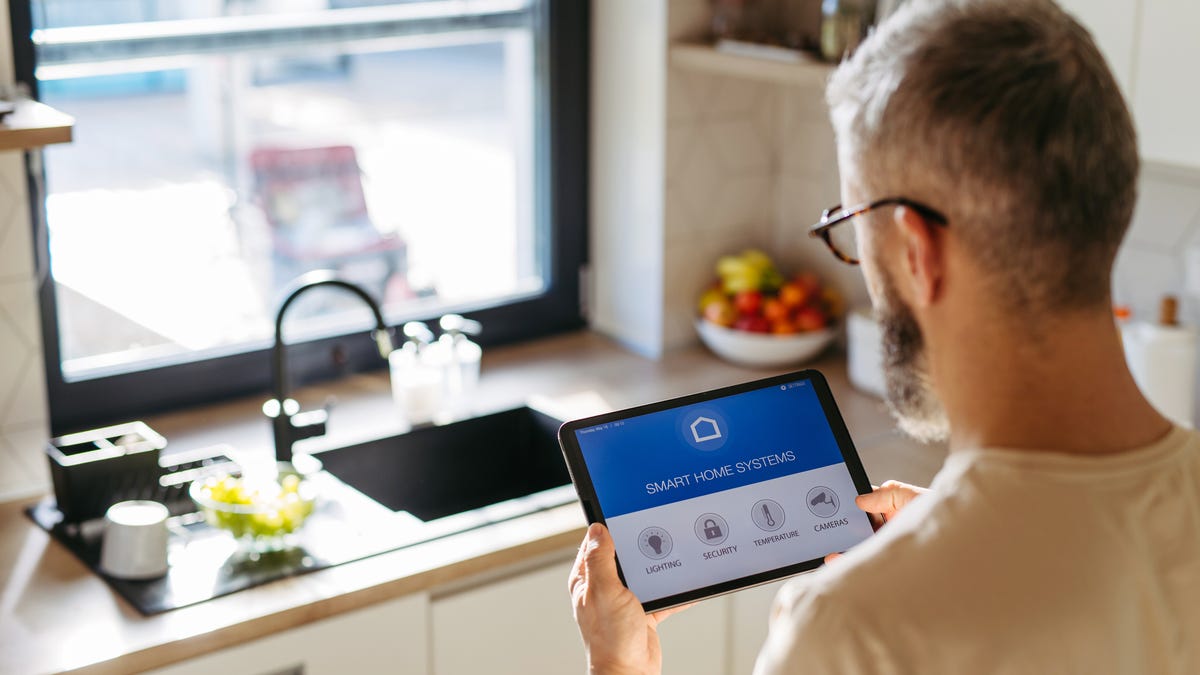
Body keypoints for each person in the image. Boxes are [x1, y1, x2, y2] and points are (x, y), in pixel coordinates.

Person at [568, 0, 1200, 672]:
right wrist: (973, 544)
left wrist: (619, 665)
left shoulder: (855, 631)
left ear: (917, 251)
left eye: (852, 236)